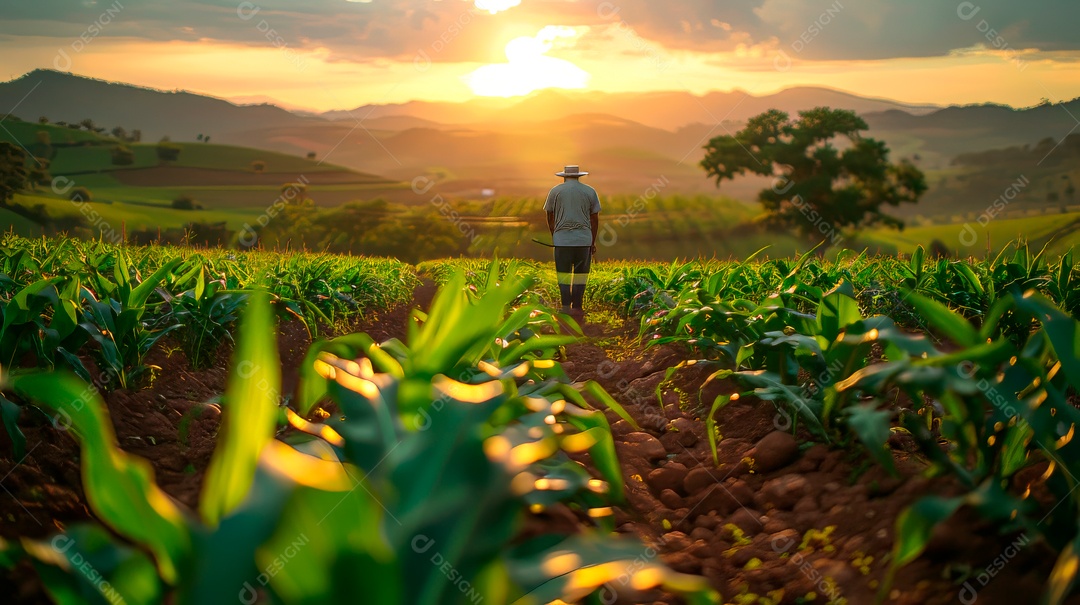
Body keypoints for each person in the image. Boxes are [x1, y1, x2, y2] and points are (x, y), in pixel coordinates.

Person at [544, 165, 600, 317]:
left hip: (562, 241)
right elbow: (594, 219)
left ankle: (565, 308)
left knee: (563, 275)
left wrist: (555, 235)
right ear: (578, 176)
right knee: (581, 275)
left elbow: (550, 216)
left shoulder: (555, 191)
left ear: (564, 177)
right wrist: (592, 241)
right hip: (583, 240)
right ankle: (578, 308)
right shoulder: (590, 191)